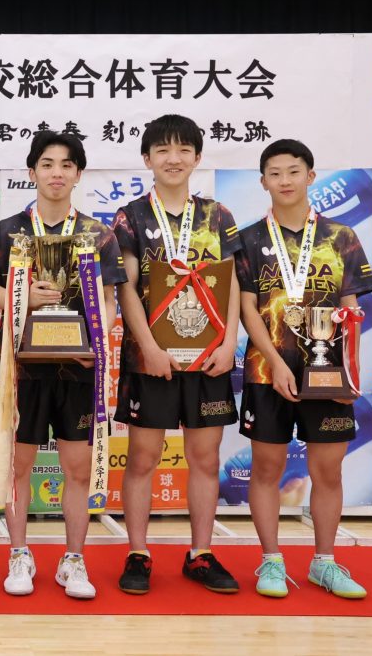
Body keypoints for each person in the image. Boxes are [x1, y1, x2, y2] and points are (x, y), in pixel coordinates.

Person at [0, 131, 124, 599]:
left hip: (78, 367)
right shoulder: (8, 231)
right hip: (23, 369)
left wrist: (95, 341)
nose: (56, 173)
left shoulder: (99, 235)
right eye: (47, 164)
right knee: (18, 465)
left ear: (78, 174)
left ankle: (73, 559)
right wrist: (23, 296)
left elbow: (109, 300)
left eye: (66, 165)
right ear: (32, 172)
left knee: (77, 467)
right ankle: (19, 554)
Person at [236, 139, 372, 599]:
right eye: (275, 173)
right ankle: (271, 561)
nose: (285, 181)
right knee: (266, 468)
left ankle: (324, 563)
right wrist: (276, 363)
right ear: (263, 182)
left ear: (311, 176)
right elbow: (248, 309)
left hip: (328, 373)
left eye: (294, 171)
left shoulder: (342, 237)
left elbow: (353, 309)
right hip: (266, 372)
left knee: (328, 470)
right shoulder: (248, 239)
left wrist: (348, 373)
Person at [112, 114, 242, 594]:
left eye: (184, 149)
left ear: (197, 158)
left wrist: (229, 343)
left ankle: (200, 554)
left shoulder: (218, 215)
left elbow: (231, 282)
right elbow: (126, 287)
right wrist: (148, 347)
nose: (174, 158)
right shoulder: (131, 216)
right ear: (147, 159)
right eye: (163, 150)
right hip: (151, 359)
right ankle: (138, 553)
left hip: (208, 358)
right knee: (143, 457)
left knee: (204, 458)